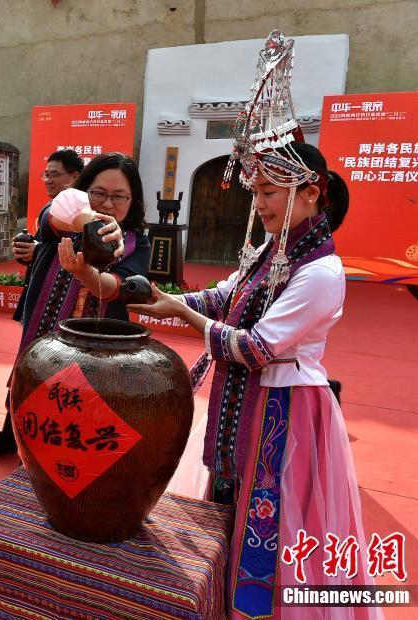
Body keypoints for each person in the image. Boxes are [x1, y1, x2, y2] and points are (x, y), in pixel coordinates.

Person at [131, 142, 375, 618]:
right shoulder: (272, 251)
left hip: (285, 408)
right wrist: (167, 300)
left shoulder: (321, 273)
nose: (258, 204)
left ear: (309, 194)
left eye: (269, 192)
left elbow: (255, 348)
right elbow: (223, 298)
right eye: (256, 193)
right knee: (233, 503)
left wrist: (181, 312)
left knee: (273, 518)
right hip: (249, 402)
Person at [0, 152, 151, 457]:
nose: (108, 204)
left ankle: (54, 451)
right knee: (30, 372)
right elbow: (49, 217)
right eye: (98, 193)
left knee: (80, 393)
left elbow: (116, 289)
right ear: (84, 190)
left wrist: (86, 271)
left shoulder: (137, 241)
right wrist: (92, 225)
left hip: (95, 337)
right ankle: (11, 433)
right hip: (47, 319)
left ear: (132, 199)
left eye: (119, 196)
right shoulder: (65, 217)